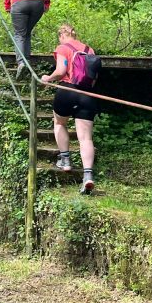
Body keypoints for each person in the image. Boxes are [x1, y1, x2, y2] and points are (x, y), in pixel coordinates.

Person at [40, 24, 99, 194]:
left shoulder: (63, 48)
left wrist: (47, 78)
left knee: (59, 122)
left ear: (62, 36)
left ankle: (65, 159)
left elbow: (61, 71)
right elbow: (93, 78)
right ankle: (88, 176)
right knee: (86, 138)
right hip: (87, 94)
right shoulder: (90, 50)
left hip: (67, 91)